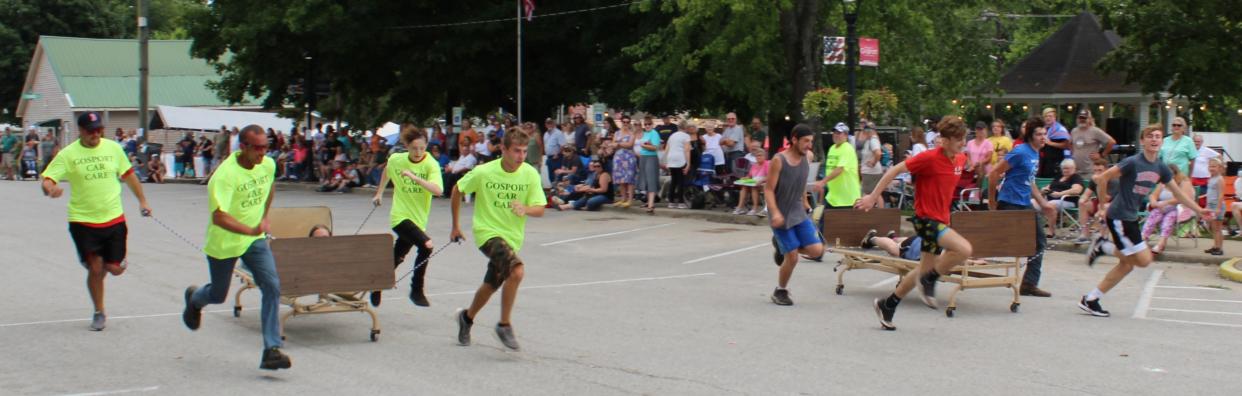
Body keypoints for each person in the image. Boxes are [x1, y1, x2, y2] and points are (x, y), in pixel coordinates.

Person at [181, 124, 292, 370]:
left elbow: (269, 187)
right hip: (224, 241)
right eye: (258, 148)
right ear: (243, 147)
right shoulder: (225, 175)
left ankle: (271, 349)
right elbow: (219, 216)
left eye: (266, 147)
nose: (264, 153)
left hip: (254, 240)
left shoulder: (268, 164)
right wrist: (249, 229)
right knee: (218, 295)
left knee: (272, 285)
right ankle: (195, 299)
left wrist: (263, 217)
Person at [1082, 124, 1209, 317]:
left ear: (1162, 142)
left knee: (1127, 265)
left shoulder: (1161, 167)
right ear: (1142, 141)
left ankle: (1091, 299)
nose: (1155, 139)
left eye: (1158, 136)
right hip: (1119, 216)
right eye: (1150, 136)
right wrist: (1101, 206)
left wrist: (1200, 209)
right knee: (1144, 260)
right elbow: (1102, 178)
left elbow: (1179, 194)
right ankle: (1104, 246)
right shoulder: (1132, 162)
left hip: (1130, 218)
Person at [41, 112, 152, 331]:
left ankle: (113, 263)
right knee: (95, 268)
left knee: (114, 268)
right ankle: (99, 311)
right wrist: (50, 189)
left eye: (99, 129)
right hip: (83, 221)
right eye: (91, 130)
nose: (96, 134)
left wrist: (143, 201)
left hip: (113, 218)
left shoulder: (113, 148)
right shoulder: (68, 154)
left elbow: (129, 175)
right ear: (81, 131)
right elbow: (48, 179)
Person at [860, 116, 971, 330]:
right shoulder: (928, 158)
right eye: (958, 139)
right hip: (925, 220)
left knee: (922, 268)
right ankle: (931, 279)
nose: (962, 143)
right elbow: (894, 170)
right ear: (945, 140)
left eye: (964, 139)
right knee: (964, 249)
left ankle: (888, 304)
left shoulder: (960, 160)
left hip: (941, 220)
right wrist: (874, 196)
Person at [450, 127, 545, 351]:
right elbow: (457, 189)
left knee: (491, 284)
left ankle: (467, 317)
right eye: (516, 151)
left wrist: (526, 209)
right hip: (487, 233)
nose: (521, 156)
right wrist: (455, 226)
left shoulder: (529, 173)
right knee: (517, 270)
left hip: (512, 237)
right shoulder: (484, 172)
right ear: (503, 149)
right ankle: (504, 325)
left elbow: (540, 208)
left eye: (524, 151)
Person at [371, 125, 444, 307]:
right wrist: (379, 193)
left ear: (426, 145)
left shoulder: (431, 164)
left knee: (397, 256)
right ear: (406, 146)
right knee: (427, 246)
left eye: (422, 147)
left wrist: (415, 178)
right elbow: (387, 170)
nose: (418, 152)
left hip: (418, 219)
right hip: (400, 217)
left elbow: (438, 190)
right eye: (414, 148)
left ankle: (377, 284)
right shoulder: (397, 159)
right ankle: (416, 290)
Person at [987, 117, 1052, 297]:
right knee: (1002, 242)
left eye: (1044, 134)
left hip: (1024, 203)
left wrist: (1043, 203)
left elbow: (1029, 181)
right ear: (1030, 136)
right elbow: (993, 174)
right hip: (1010, 203)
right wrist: (992, 201)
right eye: (1039, 134)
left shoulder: (1035, 153)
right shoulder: (1020, 152)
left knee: (1039, 242)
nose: (1042, 137)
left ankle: (1029, 284)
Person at [764, 124, 825, 306]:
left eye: (811, 141)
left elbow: (800, 182)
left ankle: (782, 245)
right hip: (780, 213)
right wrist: (774, 212)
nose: (809, 145)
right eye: (806, 141)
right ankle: (780, 291)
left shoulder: (808, 157)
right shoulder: (779, 160)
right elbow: (768, 190)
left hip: (798, 211)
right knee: (792, 256)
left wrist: (805, 201)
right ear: (794, 140)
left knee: (817, 251)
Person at [1139, 164, 1194, 255]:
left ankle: (1161, 243)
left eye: (1171, 174)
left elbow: (1183, 198)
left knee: (1169, 217)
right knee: (1155, 214)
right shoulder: (1163, 183)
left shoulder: (1184, 182)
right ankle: (1143, 238)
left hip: (1181, 209)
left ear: (1176, 174)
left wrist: (1165, 202)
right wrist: (1153, 202)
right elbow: (1153, 195)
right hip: (1164, 208)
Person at [816, 122, 859, 212]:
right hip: (833, 198)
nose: (835, 135)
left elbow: (839, 169)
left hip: (846, 200)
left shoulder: (847, 148)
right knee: (824, 224)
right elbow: (830, 169)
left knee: (841, 226)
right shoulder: (832, 148)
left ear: (846, 135)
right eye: (834, 132)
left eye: (839, 133)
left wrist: (823, 181)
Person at [1074, 158, 1119, 243]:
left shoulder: (1113, 181)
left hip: (1114, 204)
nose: (1097, 173)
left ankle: (1102, 235)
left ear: (1106, 170)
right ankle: (1084, 235)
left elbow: (1105, 199)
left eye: (1100, 170)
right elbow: (1086, 194)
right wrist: (1082, 199)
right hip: (1100, 203)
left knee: (1101, 206)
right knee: (1083, 204)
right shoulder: (1094, 180)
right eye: (1095, 170)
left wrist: (1099, 184)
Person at [1041, 159, 1085, 238]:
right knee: (1033, 202)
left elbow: (1077, 190)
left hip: (1067, 201)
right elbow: (1049, 186)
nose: (1065, 170)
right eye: (1064, 168)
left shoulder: (1075, 177)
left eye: (1068, 168)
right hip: (1050, 199)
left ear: (1073, 168)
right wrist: (1044, 190)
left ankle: (1051, 231)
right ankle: (1034, 229)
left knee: (1051, 205)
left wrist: (1060, 194)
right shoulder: (1059, 176)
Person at [1069, 109, 1115, 181]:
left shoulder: (1095, 131)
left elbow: (1112, 142)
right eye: (1080, 118)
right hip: (1076, 171)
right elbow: (1070, 143)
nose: (1082, 120)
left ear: (1090, 119)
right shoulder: (1074, 131)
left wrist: (1101, 154)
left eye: (1084, 118)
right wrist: (1073, 154)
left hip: (1091, 171)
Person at [664, 121, 694, 210]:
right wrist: (688, 164)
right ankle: (681, 202)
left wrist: (666, 162)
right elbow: (687, 150)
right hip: (680, 158)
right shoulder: (686, 136)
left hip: (671, 159)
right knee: (681, 181)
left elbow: (666, 149)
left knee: (673, 181)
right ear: (686, 128)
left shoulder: (672, 136)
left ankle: (671, 201)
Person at [734, 147, 769, 216]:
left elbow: (769, 176)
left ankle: (754, 209)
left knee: (754, 188)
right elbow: (749, 176)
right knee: (744, 187)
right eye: (757, 156)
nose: (758, 157)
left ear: (765, 156)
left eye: (760, 155)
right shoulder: (754, 165)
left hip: (764, 184)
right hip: (755, 183)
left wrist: (761, 180)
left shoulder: (767, 164)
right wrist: (744, 178)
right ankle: (740, 207)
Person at [612, 120, 639, 208]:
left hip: (629, 158)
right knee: (621, 180)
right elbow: (613, 144)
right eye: (624, 122)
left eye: (627, 122)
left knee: (629, 179)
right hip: (619, 157)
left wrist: (618, 143)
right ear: (622, 123)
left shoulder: (632, 133)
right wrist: (619, 144)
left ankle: (630, 199)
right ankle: (623, 198)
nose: (625, 124)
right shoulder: (617, 133)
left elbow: (630, 144)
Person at [1038, 107, 1071, 178]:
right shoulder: (1042, 129)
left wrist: (1050, 143)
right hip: (1044, 162)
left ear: (1054, 118)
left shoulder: (1060, 129)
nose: (1048, 118)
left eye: (1050, 116)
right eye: (1046, 116)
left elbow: (1067, 145)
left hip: (1056, 163)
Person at [637, 123, 662, 213]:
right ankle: (648, 202)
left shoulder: (654, 133)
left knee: (651, 180)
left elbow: (655, 147)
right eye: (646, 124)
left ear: (652, 124)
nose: (647, 126)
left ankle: (651, 205)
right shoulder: (645, 133)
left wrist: (644, 146)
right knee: (645, 180)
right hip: (643, 157)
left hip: (651, 157)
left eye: (649, 124)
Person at [1203, 158, 1226, 256]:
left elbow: (1221, 195)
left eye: (1214, 166)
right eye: (1210, 166)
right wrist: (1207, 205)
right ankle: (1215, 246)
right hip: (1211, 205)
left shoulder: (1220, 179)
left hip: (1217, 206)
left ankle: (1219, 248)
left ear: (1219, 168)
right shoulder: (1211, 178)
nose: (1211, 168)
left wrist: (1218, 208)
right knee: (1213, 228)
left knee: (1218, 228)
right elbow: (1209, 194)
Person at [858, 124, 884, 194]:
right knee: (876, 195)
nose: (863, 133)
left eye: (864, 132)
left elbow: (878, 153)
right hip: (870, 172)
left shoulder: (873, 140)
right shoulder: (870, 140)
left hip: (870, 173)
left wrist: (873, 163)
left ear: (868, 132)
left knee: (867, 194)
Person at [543, 118, 567, 185]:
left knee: (558, 176)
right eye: (547, 123)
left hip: (557, 157)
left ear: (554, 124)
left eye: (550, 123)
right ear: (545, 125)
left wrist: (557, 154)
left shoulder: (558, 133)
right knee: (551, 176)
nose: (549, 125)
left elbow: (563, 145)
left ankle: (559, 193)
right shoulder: (545, 134)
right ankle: (554, 191)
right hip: (549, 158)